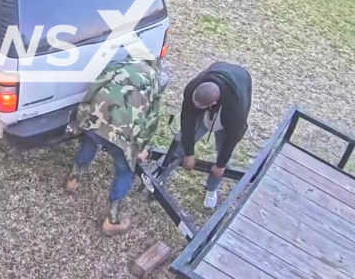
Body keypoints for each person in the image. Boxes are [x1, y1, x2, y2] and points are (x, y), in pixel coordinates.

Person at [65, 57, 166, 236]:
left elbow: (95, 87)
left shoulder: (122, 64)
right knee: (125, 170)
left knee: (91, 140)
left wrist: (82, 118)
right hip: (122, 133)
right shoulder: (154, 80)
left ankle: (73, 180)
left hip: (97, 115)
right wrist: (140, 148)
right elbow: (151, 120)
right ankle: (112, 220)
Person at [177, 62, 252, 209]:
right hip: (209, 100)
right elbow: (187, 119)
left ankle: (211, 190)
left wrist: (221, 164)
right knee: (181, 141)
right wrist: (189, 152)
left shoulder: (236, 107)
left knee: (222, 156)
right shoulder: (193, 88)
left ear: (213, 103)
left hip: (229, 115)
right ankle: (164, 173)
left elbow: (233, 136)